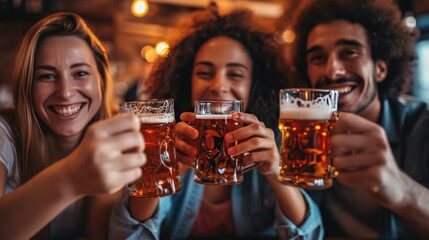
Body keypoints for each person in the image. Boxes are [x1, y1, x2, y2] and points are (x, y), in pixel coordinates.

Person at [0, 12, 147, 239]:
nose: (66, 92)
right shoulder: (4, 134)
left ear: (101, 80)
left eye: (80, 73)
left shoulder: (119, 141)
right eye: (47, 76)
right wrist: (70, 176)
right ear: (27, 85)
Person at [290, 0, 429, 238]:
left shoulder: (422, 127)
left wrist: (403, 192)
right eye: (318, 58)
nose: (332, 71)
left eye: (349, 53)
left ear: (380, 68)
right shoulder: (299, 138)